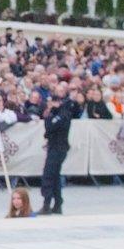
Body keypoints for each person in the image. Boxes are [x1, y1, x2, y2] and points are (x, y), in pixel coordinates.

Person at [40, 83, 79, 215]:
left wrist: (49, 116)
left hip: (59, 147)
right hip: (54, 146)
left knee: (48, 174)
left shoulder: (64, 114)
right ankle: (57, 203)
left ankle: (47, 203)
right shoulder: (57, 113)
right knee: (55, 175)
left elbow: (50, 127)